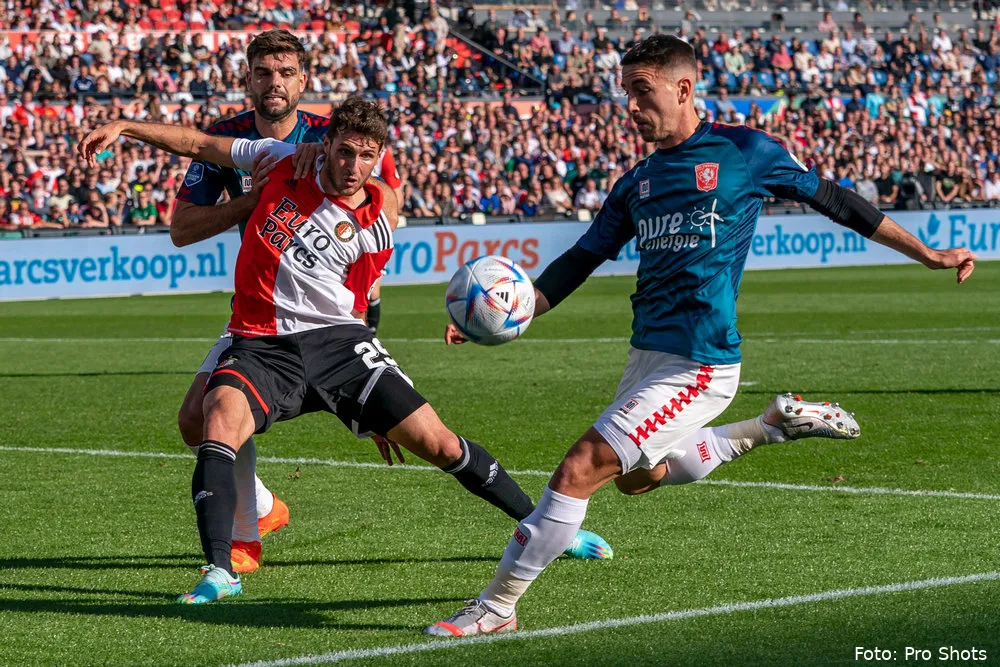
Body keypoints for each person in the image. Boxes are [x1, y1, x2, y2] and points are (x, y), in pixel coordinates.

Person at [426, 34, 977, 637]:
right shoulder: (637, 182)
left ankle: (496, 607)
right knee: (636, 479)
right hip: (646, 357)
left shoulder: (745, 153)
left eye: (643, 91)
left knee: (580, 467)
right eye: (626, 93)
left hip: (701, 364)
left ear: (683, 88)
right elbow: (581, 258)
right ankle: (768, 427)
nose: (631, 107)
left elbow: (835, 201)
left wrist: (924, 252)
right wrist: (503, 313)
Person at [78, 97, 613, 605]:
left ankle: (548, 530)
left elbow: (358, 305)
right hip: (261, 342)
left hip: (339, 343)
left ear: (380, 158)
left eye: (366, 155)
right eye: (344, 151)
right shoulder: (280, 159)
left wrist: (373, 404)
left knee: (441, 444)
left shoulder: (382, 216)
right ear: (325, 144)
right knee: (217, 420)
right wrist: (126, 128)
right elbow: (198, 145)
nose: (353, 165)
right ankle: (221, 569)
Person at [168, 30, 401, 574]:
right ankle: (265, 508)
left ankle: (245, 533)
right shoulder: (229, 140)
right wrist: (255, 196)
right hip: (260, 309)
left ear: (304, 80)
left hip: (327, 313)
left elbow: (388, 200)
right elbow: (181, 229)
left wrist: (372, 336)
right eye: (263, 73)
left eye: (285, 73)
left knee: (214, 414)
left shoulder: (332, 135)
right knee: (193, 421)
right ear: (247, 79)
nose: (274, 83)